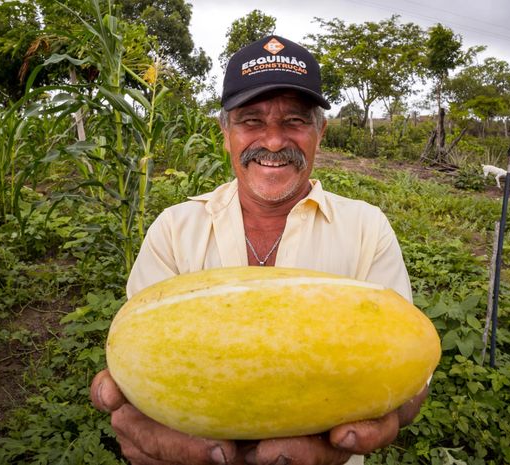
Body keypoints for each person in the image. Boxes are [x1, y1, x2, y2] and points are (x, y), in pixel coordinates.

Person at [90, 35, 428, 465]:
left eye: (294, 121)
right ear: (225, 131)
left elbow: (409, 368)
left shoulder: (367, 228)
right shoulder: (174, 230)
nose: (272, 142)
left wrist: (399, 411)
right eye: (251, 121)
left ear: (320, 132)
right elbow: (135, 370)